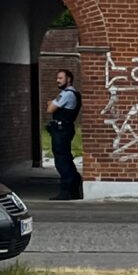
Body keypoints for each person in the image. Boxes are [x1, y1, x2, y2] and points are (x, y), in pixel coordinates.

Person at [46, 67, 83, 200]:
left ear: (69, 79)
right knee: (65, 158)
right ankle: (74, 187)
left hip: (61, 130)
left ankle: (67, 189)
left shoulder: (66, 94)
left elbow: (50, 109)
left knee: (62, 160)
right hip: (65, 128)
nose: (58, 80)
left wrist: (51, 103)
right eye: (57, 78)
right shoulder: (74, 93)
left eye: (61, 78)